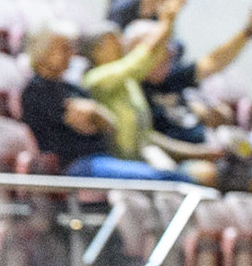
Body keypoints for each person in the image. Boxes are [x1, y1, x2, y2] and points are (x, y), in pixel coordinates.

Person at [20, 21, 189, 180]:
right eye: (63, 49)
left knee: (174, 177)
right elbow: (84, 122)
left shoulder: (71, 88)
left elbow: (108, 124)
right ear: (42, 50)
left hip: (101, 158)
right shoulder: (36, 90)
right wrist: (96, 116)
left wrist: (96, 114)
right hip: (75, 165)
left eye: (71, 48)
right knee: (166, 179)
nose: (70, 54)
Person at [142, 7, 252, 143]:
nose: (169, 55)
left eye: (168, 52)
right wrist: (204, 154)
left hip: (207, 142)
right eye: (160, 53)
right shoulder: (137, 88)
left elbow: (212, 62)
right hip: (182, 156)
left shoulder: (171, 77)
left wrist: (249, 31)